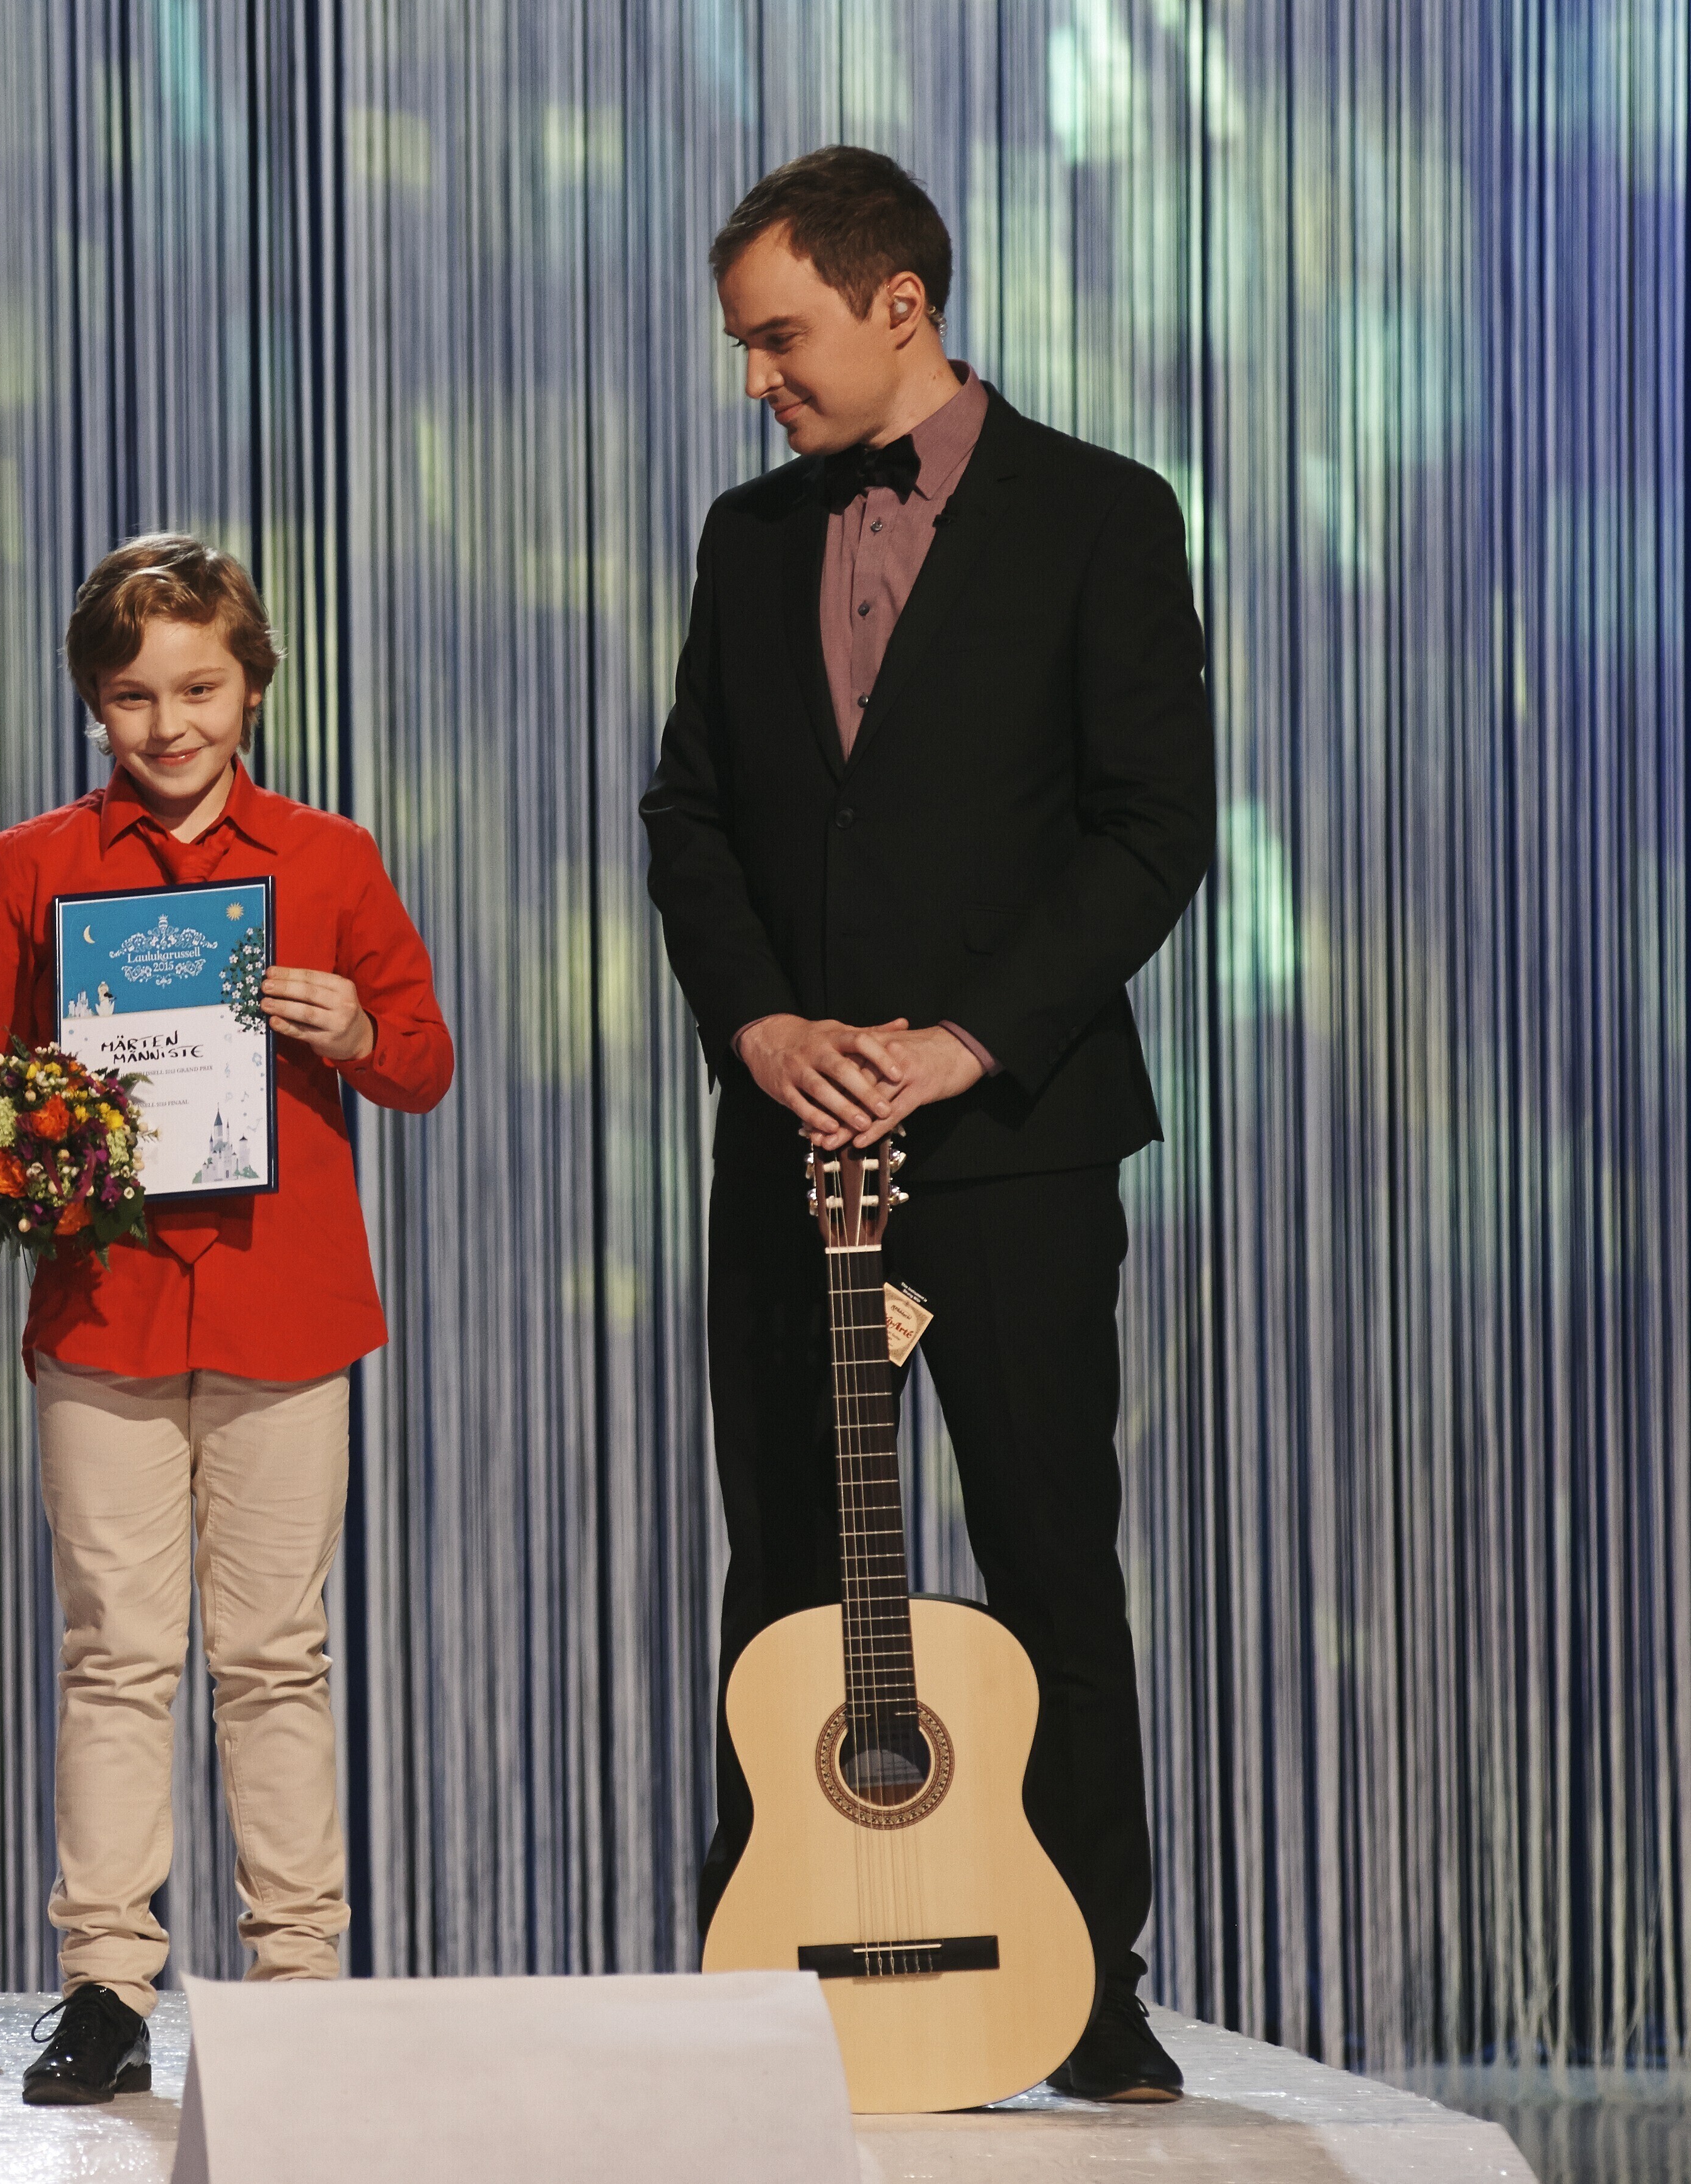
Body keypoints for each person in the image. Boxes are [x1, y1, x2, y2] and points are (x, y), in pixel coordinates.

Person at [639, 149, 1213, 2101]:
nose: (753, 378)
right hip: (791, 1144)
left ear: (900, 305)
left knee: (1049, 1551)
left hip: (1013, 1141)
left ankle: (1087, 1973)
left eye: (776, 335)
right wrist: (762, 1024)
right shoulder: (743, 536)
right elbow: (688, 815)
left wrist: (966, 1039)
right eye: (743, 344)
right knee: (787, 1574)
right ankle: (774, 1966)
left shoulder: (1102, 514)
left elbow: (1153, 826)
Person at [0, 535, 453, 2105]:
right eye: (134, 696)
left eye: (199, 689)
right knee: (117, 1653)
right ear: (94, 702)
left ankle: (299, 1983)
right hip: (104, 1308)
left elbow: (422, 1057)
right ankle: (104, 1985)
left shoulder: (329, 858)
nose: (169, 724)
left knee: (275, 1654)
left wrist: (357, 1026)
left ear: (252, 687)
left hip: (288, 1306)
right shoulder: (34, 864)